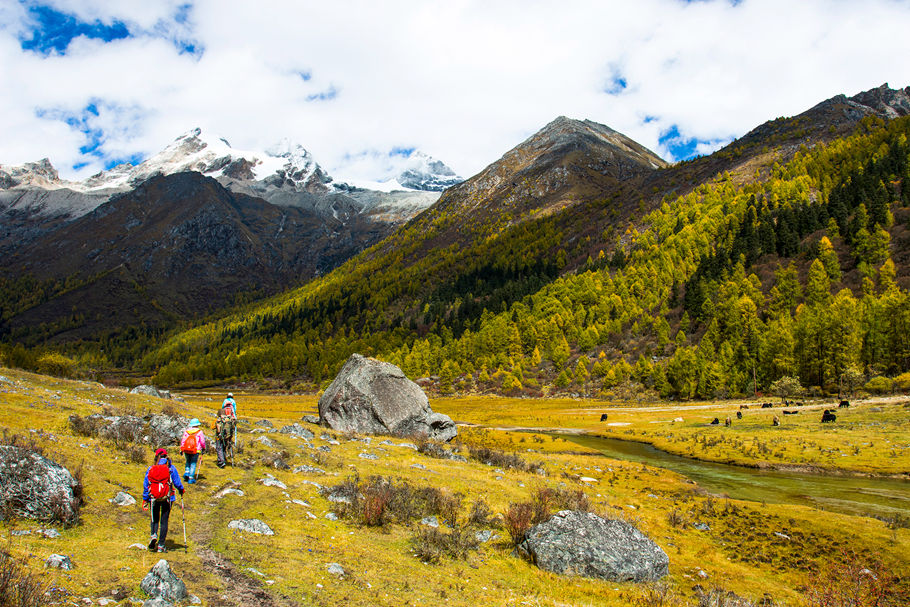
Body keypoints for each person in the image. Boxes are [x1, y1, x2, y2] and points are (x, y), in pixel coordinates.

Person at [142, 447, 184, 553]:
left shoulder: (151, 468)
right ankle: (161, 545)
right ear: (167, 456)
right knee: (164, 521)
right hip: (168, 498)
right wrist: (181, 490)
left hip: (154, 498)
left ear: (156, 456)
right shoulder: (171, 468)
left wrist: (145, 499)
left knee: (154, 518)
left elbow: (146, 484)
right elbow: (177, 482)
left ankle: (153, 535)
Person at [180, 419, 207, 484]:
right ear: (197, 425)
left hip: (186, 449)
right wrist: (203, 448)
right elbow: (202, 441)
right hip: (196, 450)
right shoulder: (200, 432)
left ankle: (187, 473)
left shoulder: (187, 432)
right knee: (193, 463)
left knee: (188, 461)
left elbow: (183, 440)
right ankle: (191, 478)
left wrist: (181, 448)